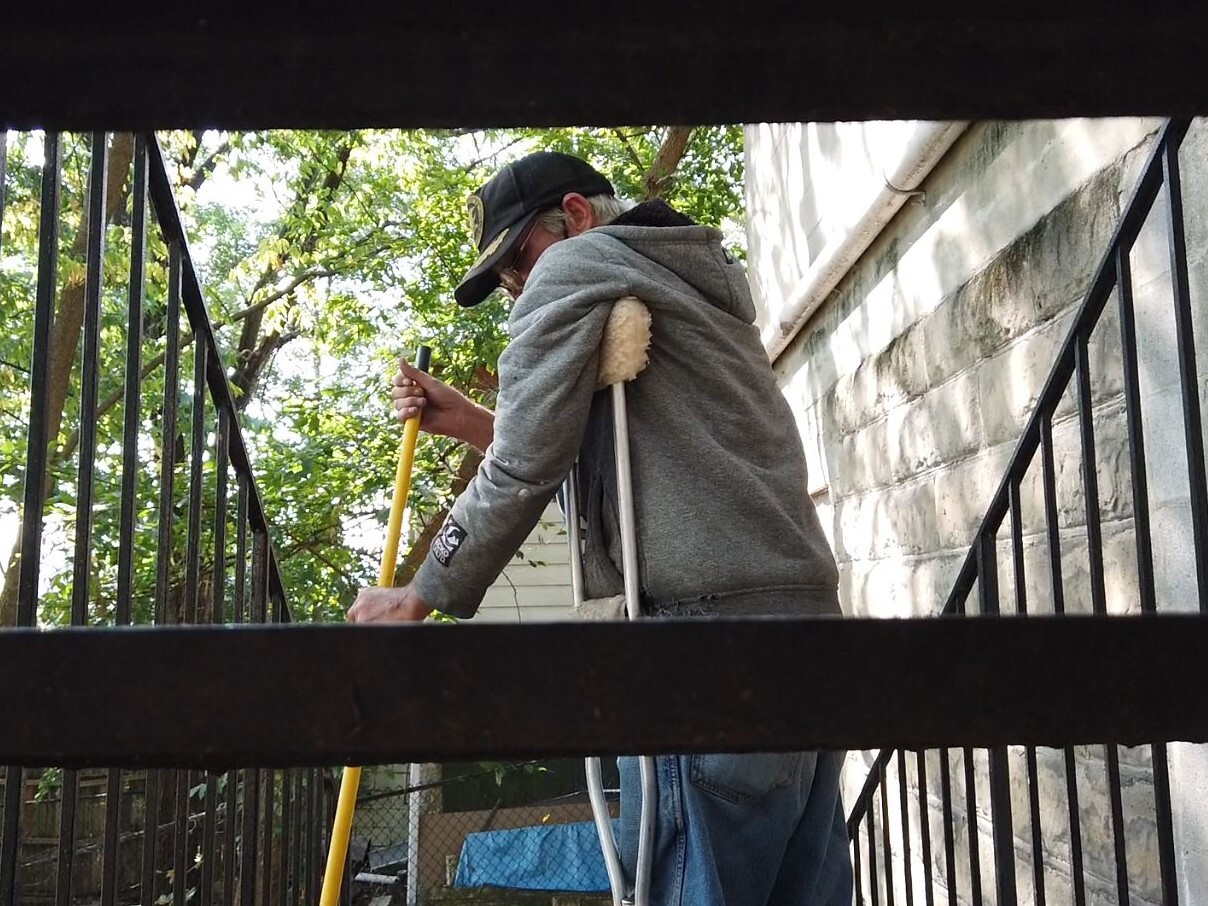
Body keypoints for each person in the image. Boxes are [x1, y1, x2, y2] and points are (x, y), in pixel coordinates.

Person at [348, 150, 852, 905]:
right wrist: (478, 425)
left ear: (576, 215)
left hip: (701, 652)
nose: (519, 290)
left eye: (518, 262)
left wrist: (419, 593)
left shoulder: (576, 266)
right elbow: (632, 473)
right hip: (809, 635)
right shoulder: (686, 276)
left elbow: (528, 462)